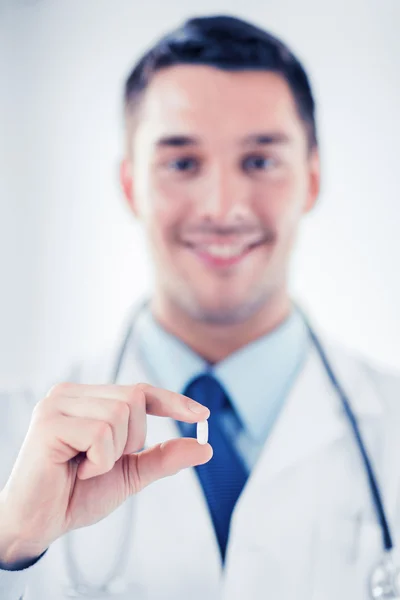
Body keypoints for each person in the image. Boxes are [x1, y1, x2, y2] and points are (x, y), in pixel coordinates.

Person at [0, 13, 399, 600]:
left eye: (260, 161)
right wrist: (10, 548)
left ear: (312, 180)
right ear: (131, 184)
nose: (222, 206)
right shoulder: (13, 431)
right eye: (182, 163)